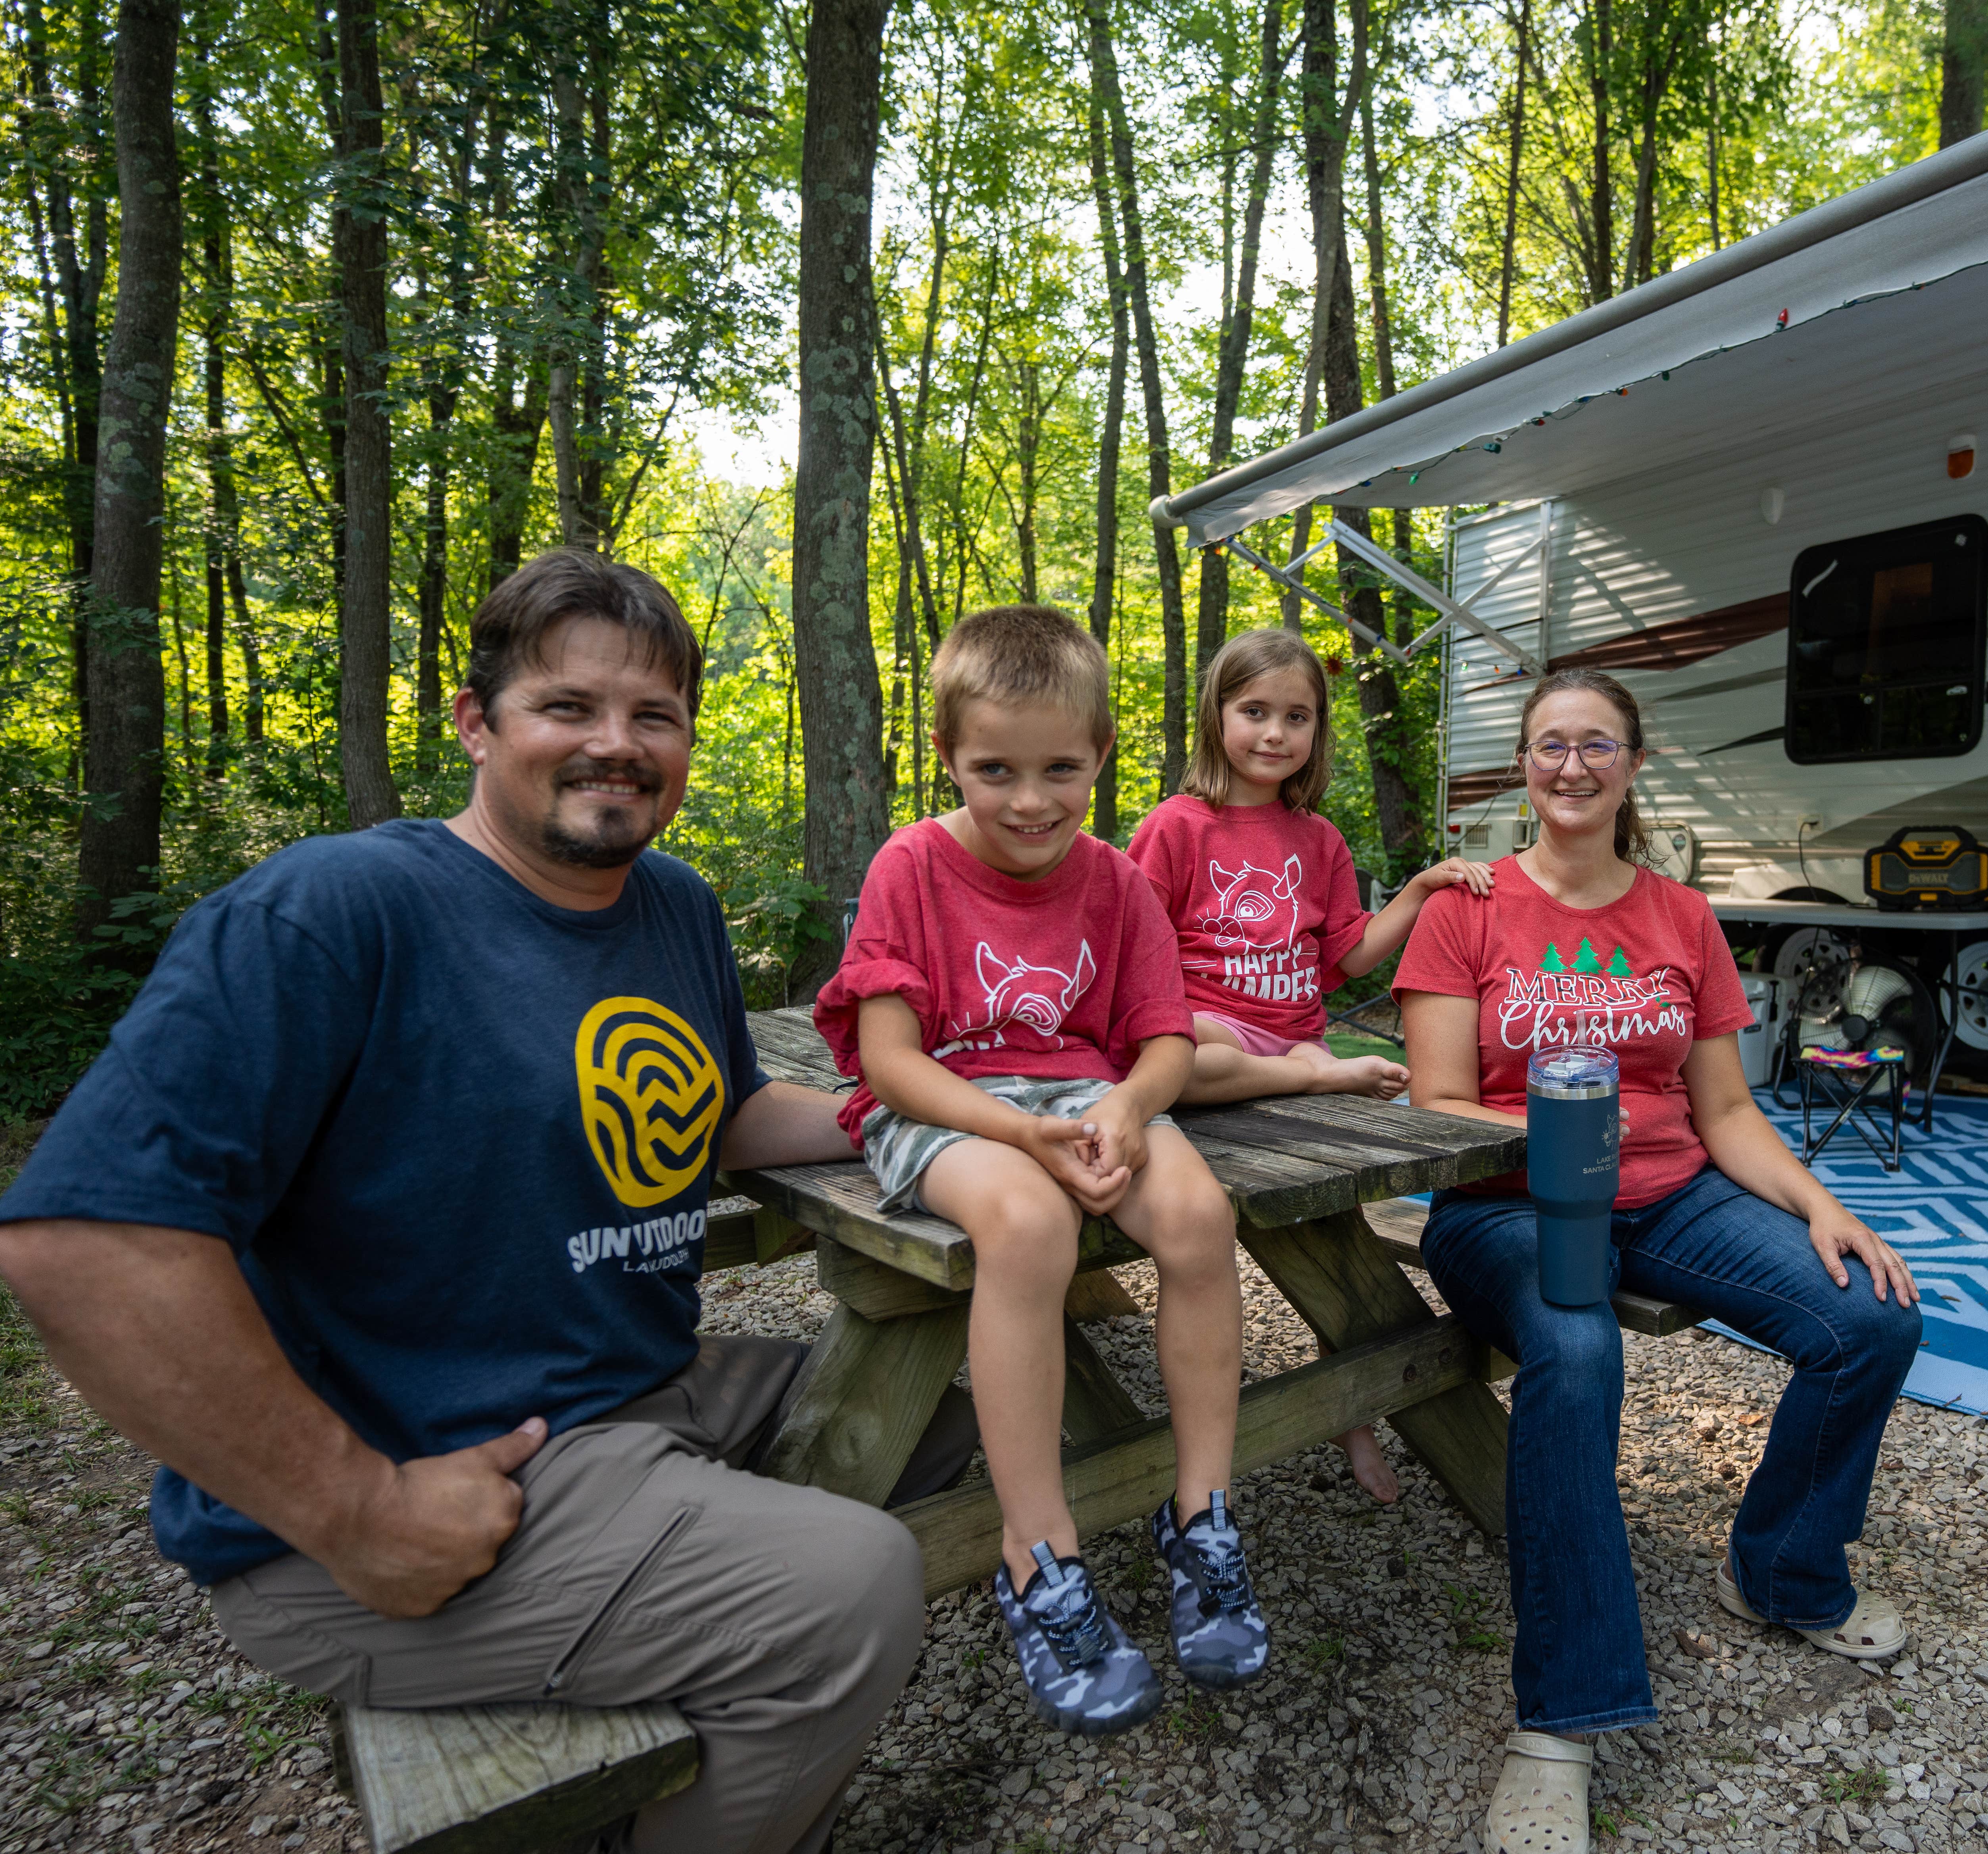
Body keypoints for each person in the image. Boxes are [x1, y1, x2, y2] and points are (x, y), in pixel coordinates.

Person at [0, 551, 928, 1854]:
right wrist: (355, 1511)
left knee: (954, 1410)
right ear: (474, 721)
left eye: (652, 716)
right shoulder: (334, 911)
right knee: (852, 1589)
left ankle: (722, 1707)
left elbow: (706, 1120)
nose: (616, 743)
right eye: (568, 707)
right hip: (416, 1480)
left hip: (631, 1394)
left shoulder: (671, 906)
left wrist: (923, 1110)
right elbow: (86, 1241)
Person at [1394, 667, 1925, 1854]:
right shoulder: (1465, 910)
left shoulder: (1682, 918)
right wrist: (1553, 1135)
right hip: (1505, 1208)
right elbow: (1433, 1107)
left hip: (1671, 1196)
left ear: (1633, 763)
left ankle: (1785, 1572)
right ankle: (1561, 1726)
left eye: (1595, 744)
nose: (1570, 766)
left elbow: (1727, 1111)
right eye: (1547, 746)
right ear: (1522, 767)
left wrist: (1823, 1207)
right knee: (1576, 1353)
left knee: (1871, 1319)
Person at [814, 604, 1267, 1737]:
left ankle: (1203, 1512)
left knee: (1200, 1215)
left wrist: (1123, 1105)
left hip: (1081, 1095)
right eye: (995, 770)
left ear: (1104, 754)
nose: (1030, 801)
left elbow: (1166, 1040)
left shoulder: (1117, 882)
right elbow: (887, 1062)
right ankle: (1039, 1551)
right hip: (949, 1103)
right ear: (948, 758)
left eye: (1061, 768)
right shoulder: (911, 866)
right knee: (1028, 1227)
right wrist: (1020, 1137)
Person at [1126, 626, 1493, 1503]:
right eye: (1254, 711)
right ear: (1217, 716)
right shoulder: (1177, 826)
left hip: (1295, 1037)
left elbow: (1354, 955)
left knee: (1341, 1238)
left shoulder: (1317, 839)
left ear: (1317, 732)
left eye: (1296, 716)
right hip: (1209, 1034)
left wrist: (1423, 887)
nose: (1274, 733)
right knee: (1181, 1060)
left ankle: (1352, 1413)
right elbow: (1134, 946)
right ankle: (1316, 1078)